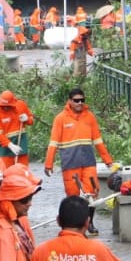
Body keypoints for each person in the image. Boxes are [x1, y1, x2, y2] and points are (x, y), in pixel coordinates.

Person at [44, 87, 116, 235]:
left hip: (88, 162)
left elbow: (98, 141)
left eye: (82, 100)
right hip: (70, 165)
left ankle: (89, 223)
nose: (80, 103)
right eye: (76, 100)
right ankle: (76, 228)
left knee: (91, 195)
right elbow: (53, 143)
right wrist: (48, 164)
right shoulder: (61, 119)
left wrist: (108, 161)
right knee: (74, 197)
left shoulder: (89, 117)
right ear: (70, 101)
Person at [0, 89, 35, 167]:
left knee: (22, 171)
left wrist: (27, 119)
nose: (5, 108)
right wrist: (10, 145)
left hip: (20, 142)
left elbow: (31, 121)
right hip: (4, 146)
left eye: (8, 106)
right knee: (5, 173)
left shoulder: (21, 105)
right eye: (3, 106)